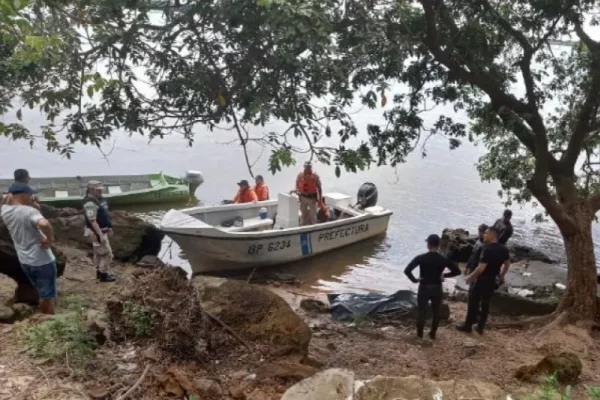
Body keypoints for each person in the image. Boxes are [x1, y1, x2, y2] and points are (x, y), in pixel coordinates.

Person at [1, 183, 57, 314]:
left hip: (25, 261)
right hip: (42, 260)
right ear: (23, 195)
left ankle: (46, 313)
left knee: (41, 289)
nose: (32, 197)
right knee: (47, 296)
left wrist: (10, 198)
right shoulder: (29, 211)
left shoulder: (4, 210)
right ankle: (48, 320)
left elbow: (6, 201)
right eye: (30, 194)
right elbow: (44, 223)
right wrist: (50, 240)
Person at [404, 234, 461, 340]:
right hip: (437, 287)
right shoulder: (443, 259)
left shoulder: (421, 258)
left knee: (422, 311)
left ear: (429, 245)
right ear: (438, 245)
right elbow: (457, 271)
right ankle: (432, 334)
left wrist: (415, 280)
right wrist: (444, 275)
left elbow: (407, 270)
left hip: (424, 287)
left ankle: (419, 334)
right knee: (436, 312)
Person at [457, 226, 510, 334]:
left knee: (473, 303)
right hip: (492, 280)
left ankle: (468, 326)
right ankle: (480, 327)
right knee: (485, 304)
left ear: (492, 235)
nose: (484, 235)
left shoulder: (487, 249)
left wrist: (469, 277)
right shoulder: (503, 249)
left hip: (481, 280)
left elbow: (480, 268)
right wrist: (502, 275)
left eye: (486, 233)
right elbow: (507, 264)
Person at [83, 181, 116, 282]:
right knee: (107, 254)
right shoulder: (89, 203)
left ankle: (99, 272)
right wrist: (100, 235)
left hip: (100, 231)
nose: (101, 191)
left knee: (98, 253)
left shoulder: (97, 199)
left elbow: (103, 215)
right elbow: (92, 221)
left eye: (101, 189)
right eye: (98, 190)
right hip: (96, 232)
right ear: (92, 190)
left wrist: (108, 227)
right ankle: (103, 275)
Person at [296, 162, 322, 226]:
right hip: (302, 198)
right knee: (303, 214)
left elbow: (319, 188)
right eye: (306, 167)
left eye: (309, 167)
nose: (307, 168)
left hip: (312, 199)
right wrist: (297, 191)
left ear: (311, 167)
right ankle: (303, 227)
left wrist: (320, 200)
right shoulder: (300, 175)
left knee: (313, 215)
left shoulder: (315, 176)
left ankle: (314, 228)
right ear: (304, 167)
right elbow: (297, 184)